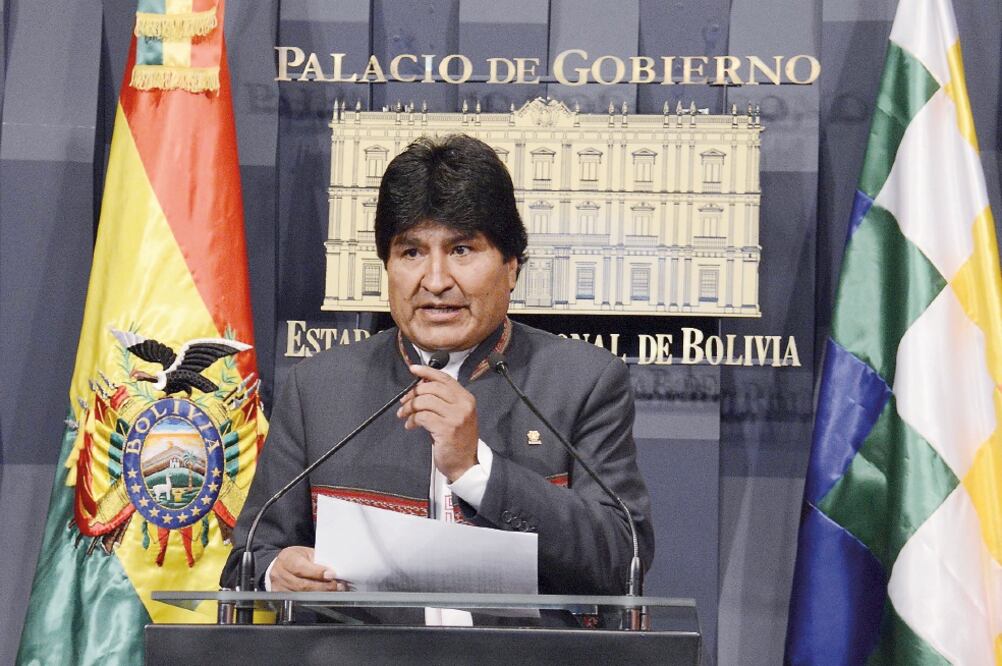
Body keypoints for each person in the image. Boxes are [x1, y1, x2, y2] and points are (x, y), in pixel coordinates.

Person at [221, 134, 653, 597]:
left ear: (511, 266)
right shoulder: (318, 388)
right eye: (411, 253)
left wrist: (476, 470)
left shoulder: (581, 382)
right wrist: (277, 571)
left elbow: (621, 559)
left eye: (461, 250)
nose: (436, 280)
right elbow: (249, 557)